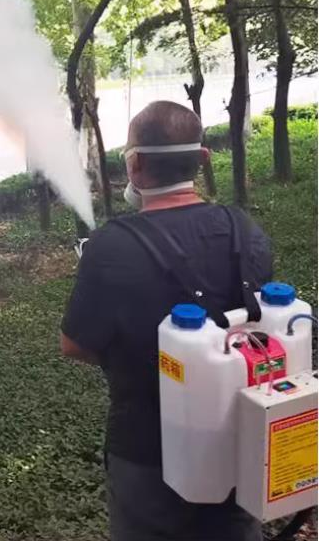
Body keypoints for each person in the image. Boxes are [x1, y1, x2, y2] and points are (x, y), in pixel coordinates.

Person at [60, 101, 272, 541]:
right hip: (238, 440)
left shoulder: (109, 247)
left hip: (145, 450)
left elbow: (74, 344)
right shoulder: (243, 229)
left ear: (134, 165)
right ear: (203, 158)